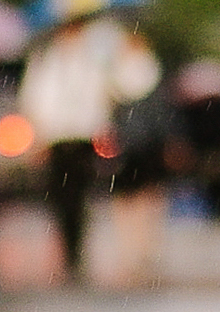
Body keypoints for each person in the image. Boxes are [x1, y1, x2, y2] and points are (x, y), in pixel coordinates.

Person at [19, 4, 160, 281]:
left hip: (86, 138)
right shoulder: (46, 59)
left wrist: (132, 54)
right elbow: (34, 99)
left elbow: (130, 85)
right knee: (61, 197)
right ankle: (68, 248)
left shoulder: (97, 60)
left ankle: (77, 250)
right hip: (57, 139)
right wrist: (37, 136)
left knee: (81, 194)